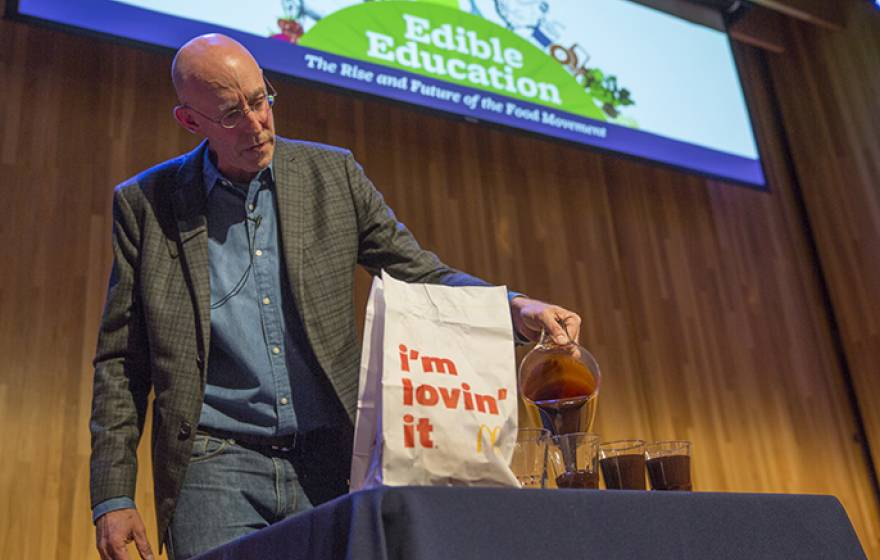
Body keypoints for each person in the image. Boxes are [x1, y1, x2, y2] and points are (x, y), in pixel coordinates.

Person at [90, 33, 581, 560]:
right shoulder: (146, 205)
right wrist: (113, 495)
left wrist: (514, 307)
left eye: (261, 100)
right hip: (213, 462)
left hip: (330, 457)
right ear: (191, 122)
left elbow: (417, 272)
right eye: (233, 114)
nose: (258, 125)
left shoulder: (333, 174)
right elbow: (122, 361)